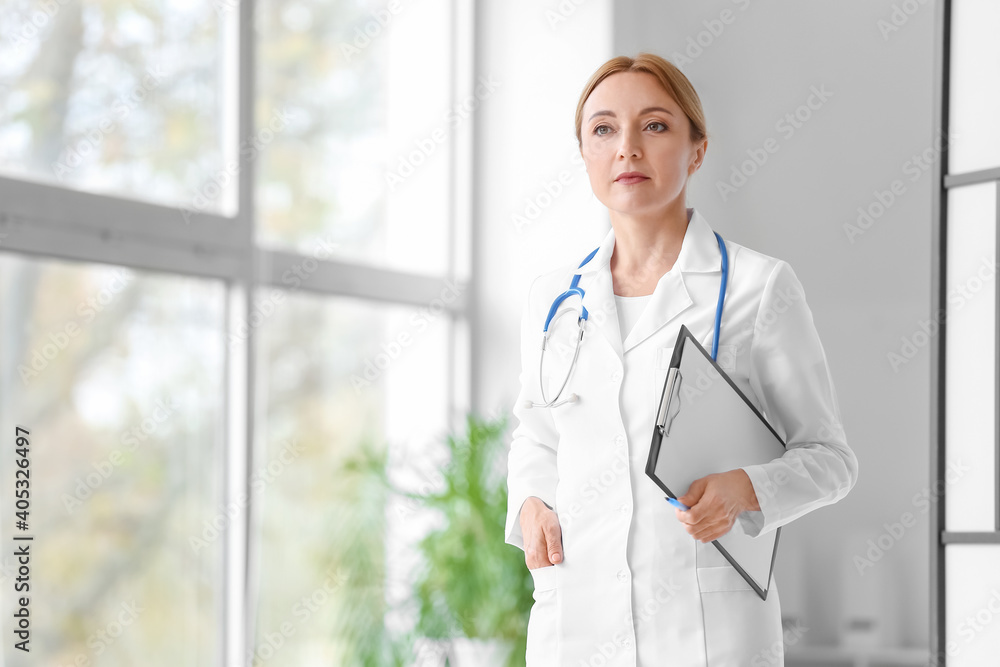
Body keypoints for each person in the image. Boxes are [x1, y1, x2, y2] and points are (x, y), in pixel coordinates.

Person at [504, 52, 860, 666]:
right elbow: (536, 435)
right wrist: (530, 502)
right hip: (577, 626)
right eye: (604, 129)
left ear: (697, 150)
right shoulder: (553, 298)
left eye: (656, 125)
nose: (628, 149)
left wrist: (749, 487)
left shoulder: (758, 287)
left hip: (707, 631)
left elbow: (831, 461)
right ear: (585, 152)